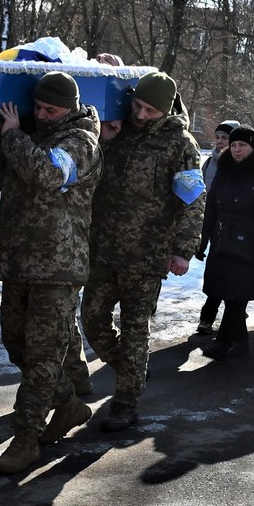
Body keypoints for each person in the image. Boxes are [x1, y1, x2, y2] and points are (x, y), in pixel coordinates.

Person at [0, 72, 101, 473]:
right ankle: (66, 405)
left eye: (52, 109)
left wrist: (13, 135)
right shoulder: (27, 133)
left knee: (44, 356)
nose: (43, 115)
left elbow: (47, 174)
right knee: (17, 344)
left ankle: (26, 439)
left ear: (71, 107)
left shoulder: (81, 141)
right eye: (39, 108)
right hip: (18, 261)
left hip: (59, 267)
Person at [82, 71, 204, 430]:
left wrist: (183, 250)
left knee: (136, 330)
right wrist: (103, 141)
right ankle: (131, 372)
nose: (140, 115)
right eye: (138, 105)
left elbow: (194, 201)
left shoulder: (180, 145)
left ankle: (125, 403)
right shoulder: (118, 133)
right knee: (92, 319)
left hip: (146, 255)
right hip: (104, 249)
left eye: (150, 110)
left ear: (165, 111)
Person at [196, 125, 254, 360]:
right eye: (234, 145)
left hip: (250, 244)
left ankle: (223, 341)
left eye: (243, 145)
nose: (237, 149)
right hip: (222, 241)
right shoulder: (224, 169)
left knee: (236, 295)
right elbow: (211, 207)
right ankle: (240, 342)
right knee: (224, 290)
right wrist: (202, 241)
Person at [196, 119, 241, 335]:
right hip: (211, 222)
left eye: (226, 138)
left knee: (229, 274)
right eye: (218, 137)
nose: (220, 142)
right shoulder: (209, 162)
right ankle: (208, 317)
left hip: (232, 228)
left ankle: (230, 317)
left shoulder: (239, 165)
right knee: (214, 273)